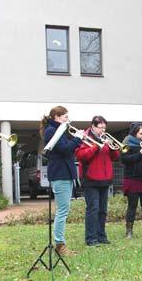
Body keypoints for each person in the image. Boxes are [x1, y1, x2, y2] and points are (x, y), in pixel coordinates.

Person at [41, 106, 83, 256]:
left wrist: (77, 138)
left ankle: (60, 243)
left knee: (64, 210)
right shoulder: (52, 131)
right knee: (62, 211)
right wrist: (78, 138)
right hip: (60, 173)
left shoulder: (60, 130)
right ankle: (60, 244)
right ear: (57, 117)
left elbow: (68, 149)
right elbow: (65, 149)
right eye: (65, 117)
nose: (68, 119)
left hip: (65, 172)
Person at [74, 116, 120, 246]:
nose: (103, 130)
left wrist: (112, 147)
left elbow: (115, 157)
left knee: (103, 210)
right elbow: (81, 156)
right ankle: (90, 238)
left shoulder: (105, 138)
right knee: (93, 209)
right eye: (101, 128)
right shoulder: (84, 137)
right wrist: (96, 146)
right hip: (90, 179)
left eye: (104, 127)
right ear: (93, 126)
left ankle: (101, 236)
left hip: (105, 179)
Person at [121, 122, 142, 238]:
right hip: (132, 179)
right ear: (134, 133)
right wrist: (140, 154)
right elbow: (124, 159)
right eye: (140, 133)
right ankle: (129, 232)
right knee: (132, 206)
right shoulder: (126, 143)